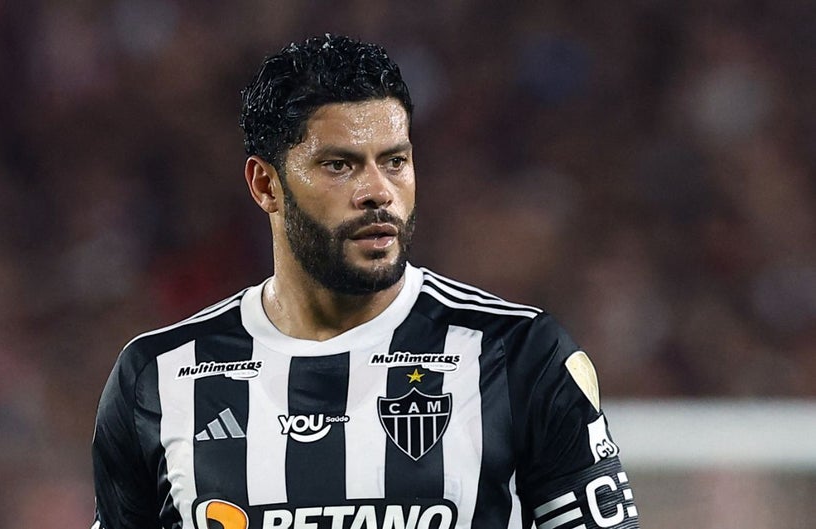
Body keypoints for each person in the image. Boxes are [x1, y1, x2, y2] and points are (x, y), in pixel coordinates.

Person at [92, 34, 640, 529]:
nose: (378, 191)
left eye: (394, 161)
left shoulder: (516, 355)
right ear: (266, 185)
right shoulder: (158, 377)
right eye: (340, 165)